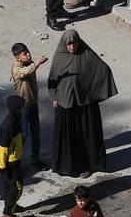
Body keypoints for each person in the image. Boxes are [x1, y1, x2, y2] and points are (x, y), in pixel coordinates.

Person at [47, 30, 118, 178]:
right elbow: (52, 79)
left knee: (86, 136)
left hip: (85, 104)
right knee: (67, 137)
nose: (72, 46)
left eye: (74, 43)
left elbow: (103, 70)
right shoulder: (59, 57)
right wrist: (54, 97)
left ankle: (88, 166)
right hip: (65, 104)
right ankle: (66, 166)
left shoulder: (87, 54)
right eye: (69, 44)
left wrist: (93, 91)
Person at [10, 43, 48, 168]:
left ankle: (35, 159)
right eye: (24, 54)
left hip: (33, 103)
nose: (28, 55)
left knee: (36, 132)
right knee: (23, 134)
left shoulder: (29, 63)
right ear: (17, 57)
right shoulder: (16, 68)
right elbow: (25, 72)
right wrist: (36, 64)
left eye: (28, 51)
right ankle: (15, 161)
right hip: (23, 107)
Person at [0, 95, 25, 217]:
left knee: (8, 186)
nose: (23, 109)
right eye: (21, 107)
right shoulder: (9, 125)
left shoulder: (14, 119)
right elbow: (2, 148)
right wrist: (1, 166)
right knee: (17, 187)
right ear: (16, 108)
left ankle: (11, 204)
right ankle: (7, 214)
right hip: (12, 163)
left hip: (12, 161)